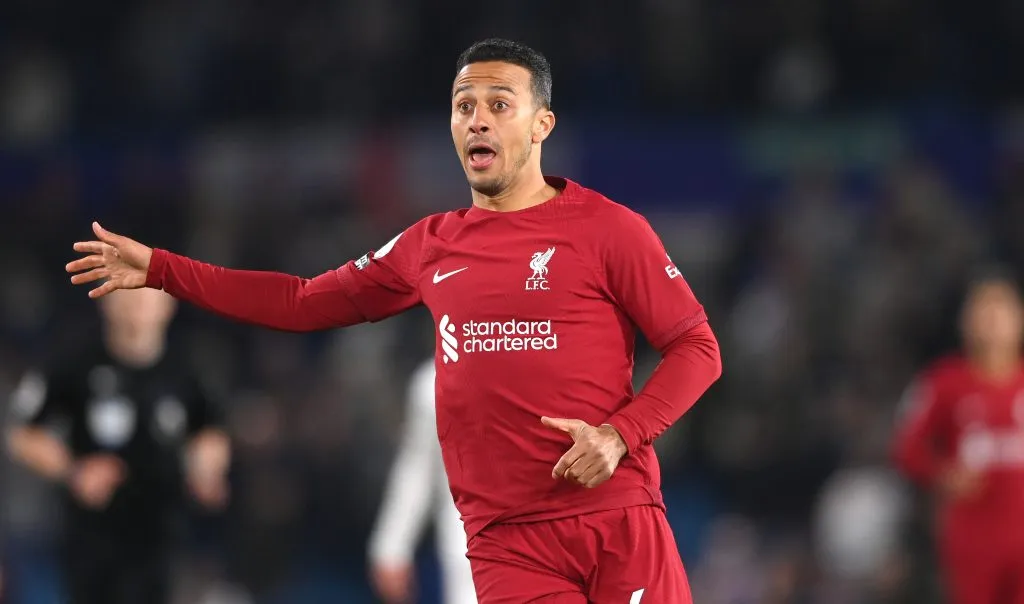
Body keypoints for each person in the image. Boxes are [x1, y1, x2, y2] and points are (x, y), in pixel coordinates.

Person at [64, 38, 722, 603]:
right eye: (465, 107)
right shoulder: (429, 246)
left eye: (500, 105)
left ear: (542, 124)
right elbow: (300, 302)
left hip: (613, 518)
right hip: (507, 543)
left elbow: (696, 346)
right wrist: (162, 270)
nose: (479, 122)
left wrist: (619, 435)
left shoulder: (608, 229)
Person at [5, 287, 231, 604]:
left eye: (147, 294)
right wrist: (74, 470)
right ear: (106, 301)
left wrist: (206, 469)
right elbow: (22, 435)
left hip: (160, 533)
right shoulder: (74, 364)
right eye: (127, 294)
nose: (137, 304)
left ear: (168, 304)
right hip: (92, 537)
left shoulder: (189, 371)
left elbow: (210, 432)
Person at [892, 269, 1024, 604]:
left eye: (1001, 308)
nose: (992, 319)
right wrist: (943, 473)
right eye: (982, 309)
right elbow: (906, 448)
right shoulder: (943, 382)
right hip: (973, 541)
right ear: (966, 321)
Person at [368, 358, 477, 604]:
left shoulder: (551, 366)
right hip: (467, 552)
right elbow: (417, 469)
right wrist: (392, 546)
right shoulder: (434, 382)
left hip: (548, 547)